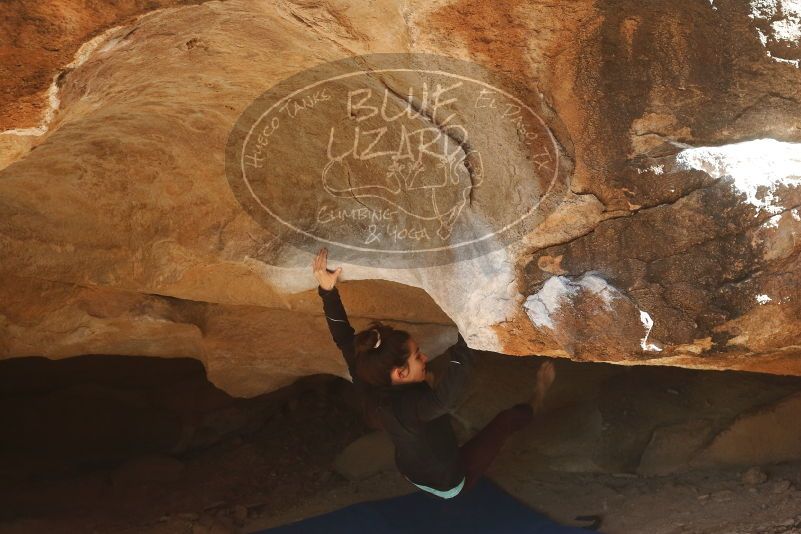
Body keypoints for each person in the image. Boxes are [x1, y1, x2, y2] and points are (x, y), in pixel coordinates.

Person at [313, 247, 556, 499]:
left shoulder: (368, 378)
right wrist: (468, 326)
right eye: (418, 355)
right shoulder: (415, 408)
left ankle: (426, 397)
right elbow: (447, 394)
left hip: (411, 466)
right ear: (400, 373)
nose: (425, 356)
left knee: (427, 389)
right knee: (506, 421)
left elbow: (344, 340)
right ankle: (539, 393)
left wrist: (327, 290)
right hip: (449, 481)